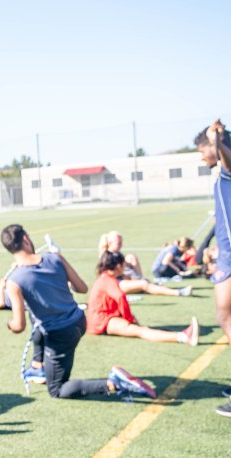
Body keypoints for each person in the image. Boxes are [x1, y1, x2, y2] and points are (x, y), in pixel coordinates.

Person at [2, 224, 157, 400]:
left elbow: (19, 326)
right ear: (25, 239)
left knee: (57, 390)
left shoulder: (14, 281)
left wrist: (9, 324)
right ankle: (39, 366)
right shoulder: (55, 258)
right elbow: (82, 288)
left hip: (60, 334)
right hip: (78, 321)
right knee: (41, 330)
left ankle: (114, 383)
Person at [195, 119, 231, 417]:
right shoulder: (221, 176)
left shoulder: (228, 170)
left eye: (201, 150)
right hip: (226, 256)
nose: (200, 156)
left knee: (226, 317)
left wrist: (217, 141)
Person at [87, 251, 199, 346]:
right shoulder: (108, 280)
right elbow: (121, 298)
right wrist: (129, 319)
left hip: (103, 318)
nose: (125, 267)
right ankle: (184, 337)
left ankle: (183, 336)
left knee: (141, 329)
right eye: (124, 264)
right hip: (101, 322)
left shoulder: (106, 277)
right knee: (142, 331)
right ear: (118, 266)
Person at [98, 230, 192, 297]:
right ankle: (179, 292)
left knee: (132, 258)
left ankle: (144, 280)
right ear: (110, 242)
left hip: (122, 281)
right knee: (144, 284)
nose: (121, 245)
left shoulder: (117, 254)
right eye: (118, 243)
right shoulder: (106, 256)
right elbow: (108, 275)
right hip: (115, 285)